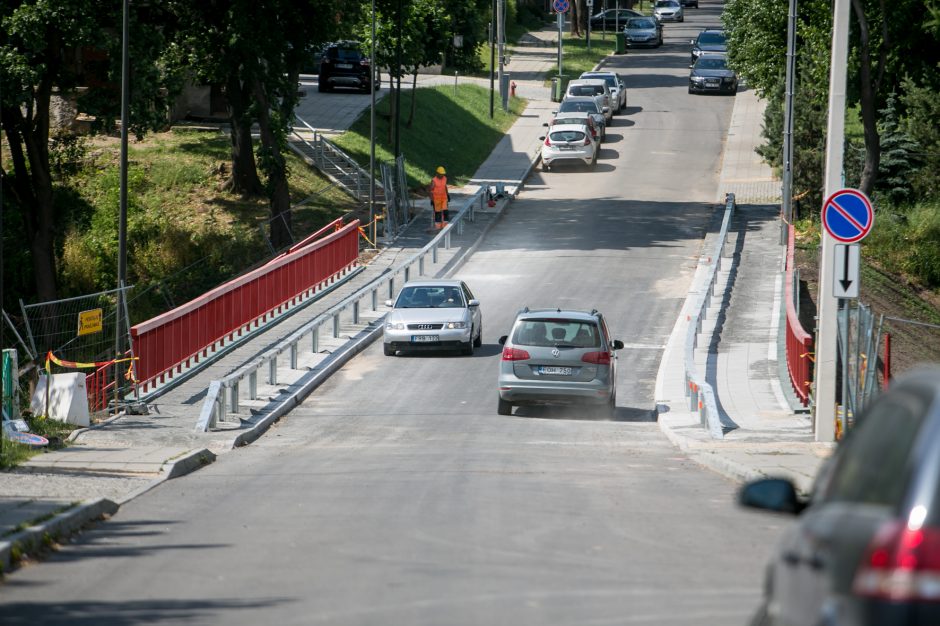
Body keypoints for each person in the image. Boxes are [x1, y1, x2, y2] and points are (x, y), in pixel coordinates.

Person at [428, 166, 451, 230]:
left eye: (443, 174)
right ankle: (438, 227)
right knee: (437, 213)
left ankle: (445, 226)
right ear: (437, 173)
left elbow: (445, 187)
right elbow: (430, 191)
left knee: (445, 211)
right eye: (441, 174)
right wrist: (432, 200)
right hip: (436, 199)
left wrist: (448, 195)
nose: (442, 175)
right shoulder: (434, 180)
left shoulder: (445, 178)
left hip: (444, 198)